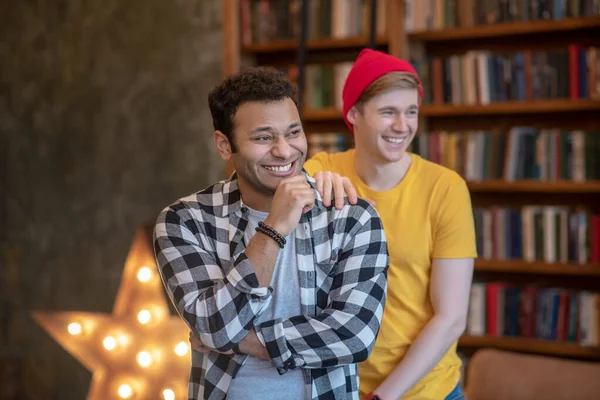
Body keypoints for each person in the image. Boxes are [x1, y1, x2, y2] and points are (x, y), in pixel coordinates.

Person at [153, 66, 389, 400]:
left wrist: (241, 338)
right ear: (224, 144)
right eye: (264, 138)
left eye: (293, 133)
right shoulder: (186, 221)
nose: (284, 150)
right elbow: (216, 326)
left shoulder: (351, 216)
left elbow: (355, 335)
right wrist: (275, 227)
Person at [303, 49, 477, 400]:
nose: (403, 126)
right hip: (337, 386)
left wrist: (384, 396)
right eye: (388, 112)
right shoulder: (321, 170)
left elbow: (451, 318)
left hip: (424, 390)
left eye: (411, 112)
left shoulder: (445, 188)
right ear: (353, 114)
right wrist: (308, 185)